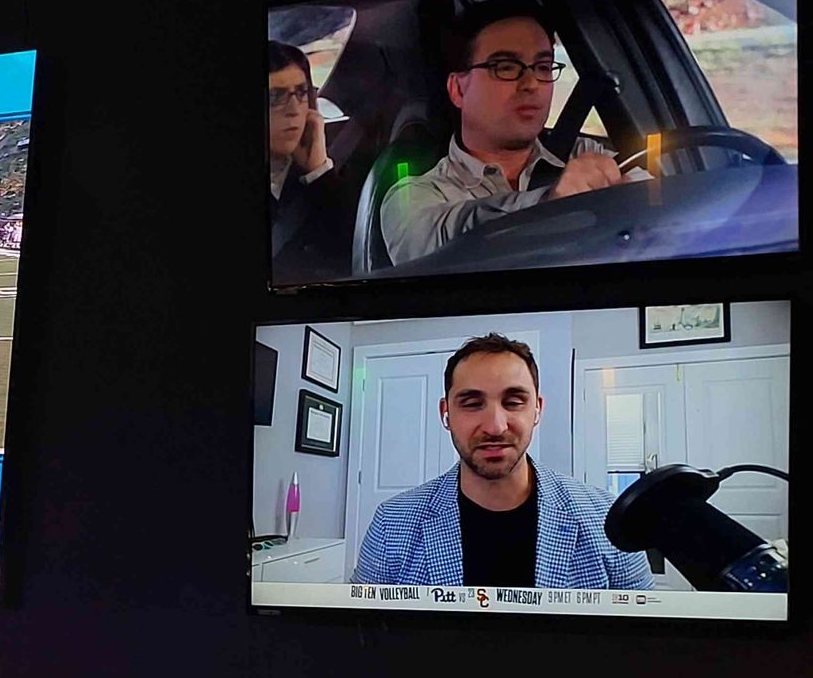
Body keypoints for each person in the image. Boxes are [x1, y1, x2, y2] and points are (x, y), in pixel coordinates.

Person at [352, 334, 653, 589]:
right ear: (446, 412)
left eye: (513, 402)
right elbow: (358, 640)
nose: (495, 426)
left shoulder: (606, 521)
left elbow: (647, 641)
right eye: (472, 403)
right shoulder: (393, 524)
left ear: (537, 409)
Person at [379, 0, 650, 267]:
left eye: (543, 67)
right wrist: (549, 206)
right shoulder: (414, 196)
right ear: (458, 89)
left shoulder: (585, 157)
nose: (532, 83)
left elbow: (654, 206)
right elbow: (435, 248)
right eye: (505, 68)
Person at [266, 40, 350, 282]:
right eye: (275, 97)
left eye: (301, 93)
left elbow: (351, 255)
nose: (294, 110)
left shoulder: (310, 176)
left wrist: (319, 172)